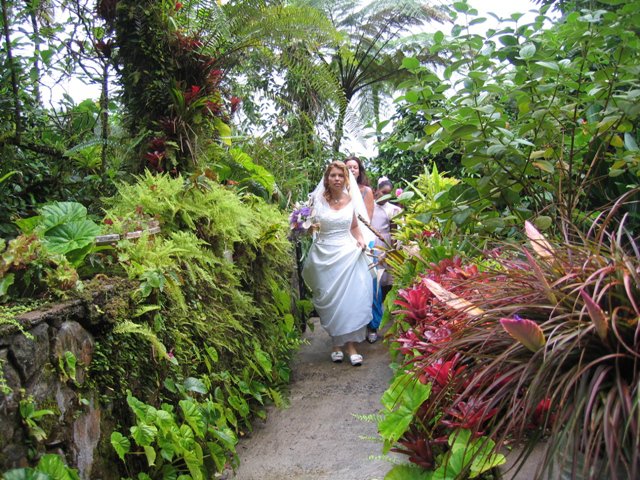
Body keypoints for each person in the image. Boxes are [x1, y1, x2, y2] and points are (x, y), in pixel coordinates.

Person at [302, 161, 373, 366]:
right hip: (324, 257)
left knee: (349, 302)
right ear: (327, 178)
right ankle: (335, 344)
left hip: (347, 255)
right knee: (331, 304)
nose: (337, 179)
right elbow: (310, 226)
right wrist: (303, 226)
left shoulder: (350, 200)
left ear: (346, 179)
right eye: (333, 175)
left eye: (341, 175)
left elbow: (354, 226)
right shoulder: (316, 200)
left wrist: (360, 239)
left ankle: (350, 347)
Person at [366, 178, 403, 343]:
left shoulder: (393, 210)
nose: (385, 196)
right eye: (383, 192)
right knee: (374, 284)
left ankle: (384, 318)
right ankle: (372, 323)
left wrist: (391, 251)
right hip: (371, 245)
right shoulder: (369, 206)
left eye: (388, 194)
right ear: (376, 191)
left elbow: (394, 232)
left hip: (385, 245)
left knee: (386, 283)